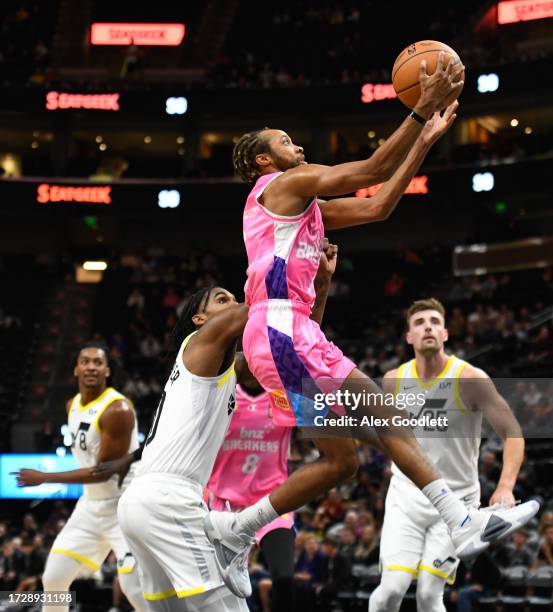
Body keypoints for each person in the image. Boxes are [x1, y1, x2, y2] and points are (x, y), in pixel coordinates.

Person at [203, 56, 538, 598]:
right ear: (266, 159)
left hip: (296, 337)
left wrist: (424, 140)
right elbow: (370, 171)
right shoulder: (282, 184)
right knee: (384, 418)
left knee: (343, 461)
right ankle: (462, 519)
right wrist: (419, 107)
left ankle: (236, 532)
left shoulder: (305, 204)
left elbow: (379, 205)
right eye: (288, 141)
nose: (299, 148)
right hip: (281, 332)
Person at [109, 244, 337, 610]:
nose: (233, 302)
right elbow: (267, 311)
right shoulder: (200, 343)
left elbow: (293, 343)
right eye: (221, 299)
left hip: (144, 501)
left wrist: (322, 284)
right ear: (200, 320)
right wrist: (296, 252)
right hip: (171, 500)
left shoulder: (225, 365)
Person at [369, 298, 528, 612]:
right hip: (406, 499)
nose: (427, 326)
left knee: (429, 595)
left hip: (457, 503)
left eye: (434, 322)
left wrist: (506, 485)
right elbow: (386, 436)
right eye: (419, 323)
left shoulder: (471, 379)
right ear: (409, 337)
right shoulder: (392, 381)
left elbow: (513, 433)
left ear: (445, 334)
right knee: (389, 592)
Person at [13, 342, 144, 612]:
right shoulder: (72, 404)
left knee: (135, 589)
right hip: (90, 507)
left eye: (98, 362)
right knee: (54, 578)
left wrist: (46, 477)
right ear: (76, 369)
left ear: (107, 370)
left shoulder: (117, 409)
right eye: (85, 361)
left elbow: (102, 472)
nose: (91, 367)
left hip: (125, 507)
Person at [206, 383, 295, 612]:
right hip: (225, 504)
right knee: (216, 586)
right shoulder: (222, 392)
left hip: (272, 501)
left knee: (284, 577)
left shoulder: (285, 393)